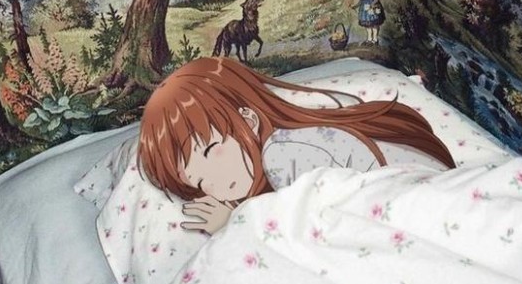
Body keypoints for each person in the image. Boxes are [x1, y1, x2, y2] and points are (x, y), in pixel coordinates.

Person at [137, 57, 455, 234]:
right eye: (199, 182)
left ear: (249, 119)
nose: (214, 182)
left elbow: (306, 237)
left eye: (211, 150)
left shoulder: (282, 152)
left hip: (425, 208)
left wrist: (233, 226)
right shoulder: (273, 168)